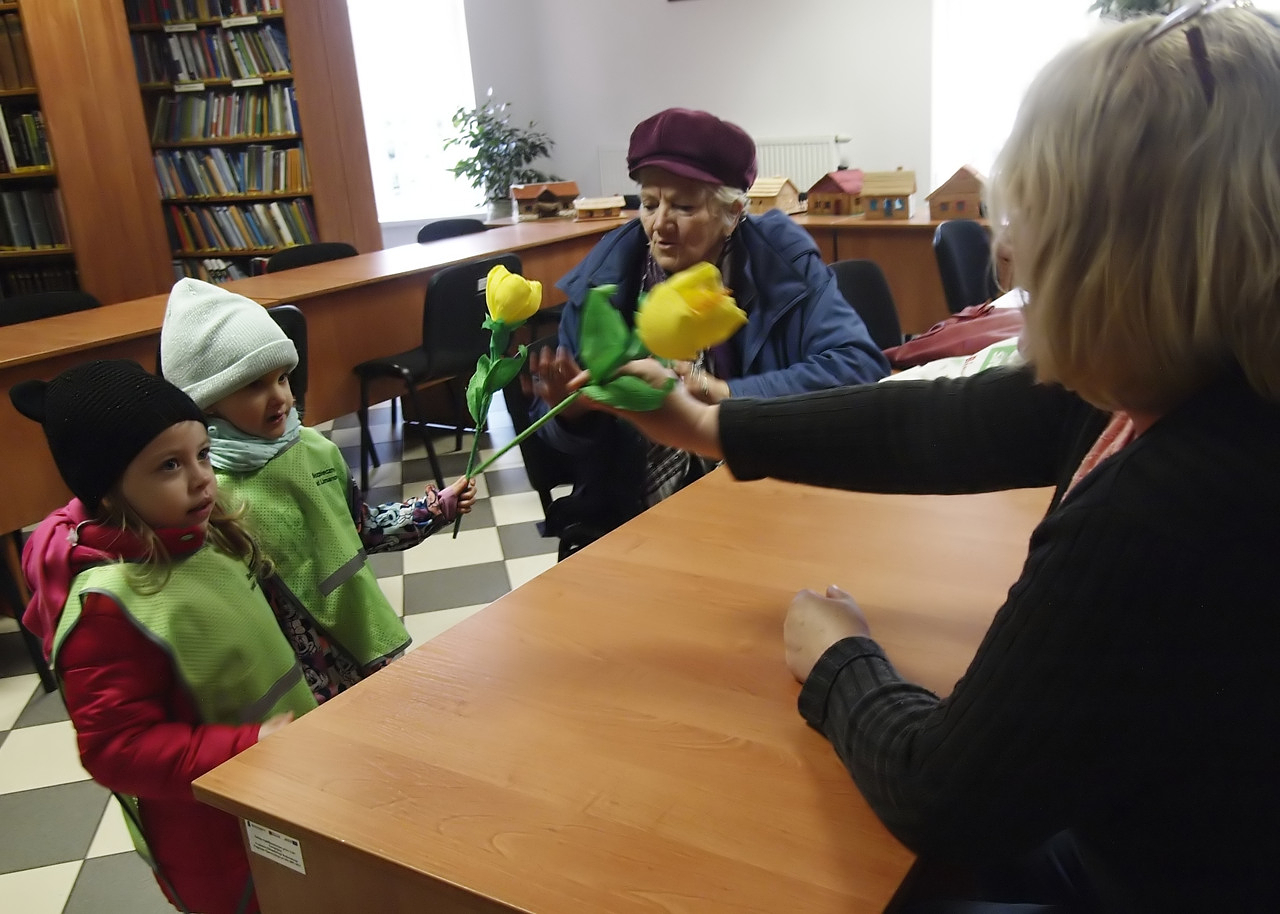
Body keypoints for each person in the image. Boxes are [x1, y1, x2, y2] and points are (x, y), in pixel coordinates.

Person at [575, 8, 1280, 911]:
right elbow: (935, 425)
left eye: (1036, 217)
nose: (1005, 256)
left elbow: (944, 795)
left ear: (1140, 255)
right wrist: (715, 428)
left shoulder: (1160, 509)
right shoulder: (1188, 383)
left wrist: (840, 658)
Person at [12, 360, 316, 914]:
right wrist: (249, 747)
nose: (201, 478)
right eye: (170, 465)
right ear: (108, 491)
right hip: (218, 835)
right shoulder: (109, 607)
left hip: (278, 788)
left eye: (203, 454)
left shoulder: (205, 537)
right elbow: (116, 749)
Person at [530, 107, 889, 538]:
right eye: (649, 204)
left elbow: (858, 367)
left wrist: (720, 392)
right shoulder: (604, 280)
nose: (660, 224)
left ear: (733, 213)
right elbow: (554, 441)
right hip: (635, 517)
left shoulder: (783, 263)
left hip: (770, 499)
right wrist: (570, 413)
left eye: (683, 206)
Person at [160, 278, 475, 697]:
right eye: (254, 385)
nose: (280, 397)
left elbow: (362, 529)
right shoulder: (207, 493)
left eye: (282, 378)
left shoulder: (315, 449)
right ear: (208, 401)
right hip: (296, 679)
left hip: (362, 644)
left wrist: (432, 510)